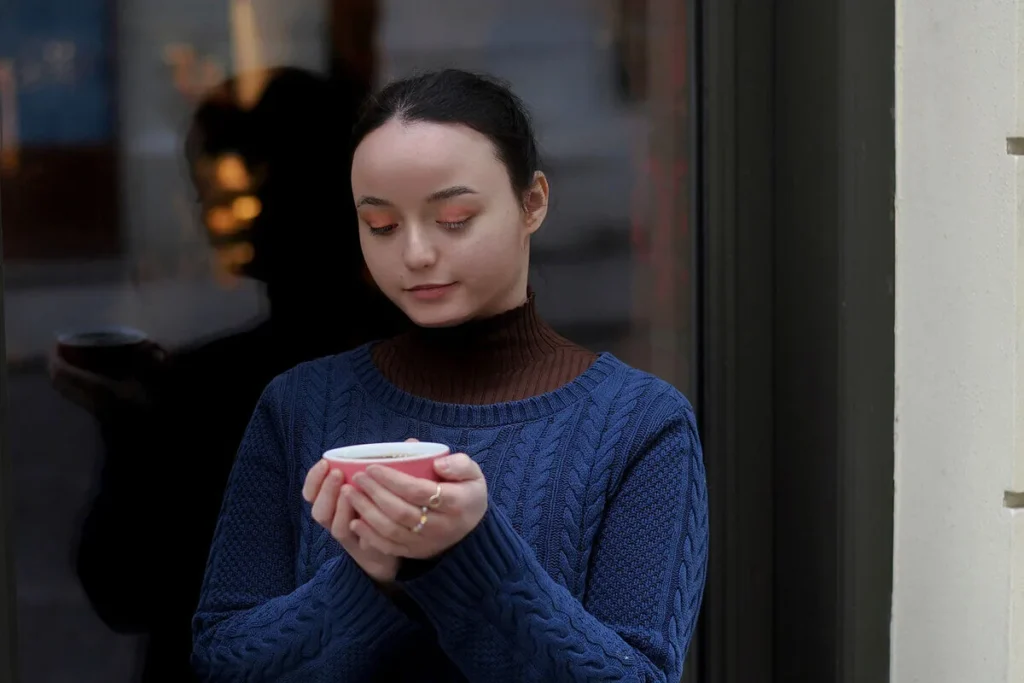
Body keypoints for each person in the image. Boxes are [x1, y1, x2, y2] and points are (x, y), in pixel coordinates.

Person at [191, 68, 709, 682]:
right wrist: (371, 578)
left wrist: (472, 553)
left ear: (533, 202)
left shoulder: (641, 424)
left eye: (455, 217)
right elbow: (221, 662)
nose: (415, 253)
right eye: (381, 226)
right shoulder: (300, 405)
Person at [53, 67, 406, 683]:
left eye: (251, 183)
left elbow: (126, 586)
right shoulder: (438, 363)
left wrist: (132, 428)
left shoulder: (216, 388)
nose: (215, 208)